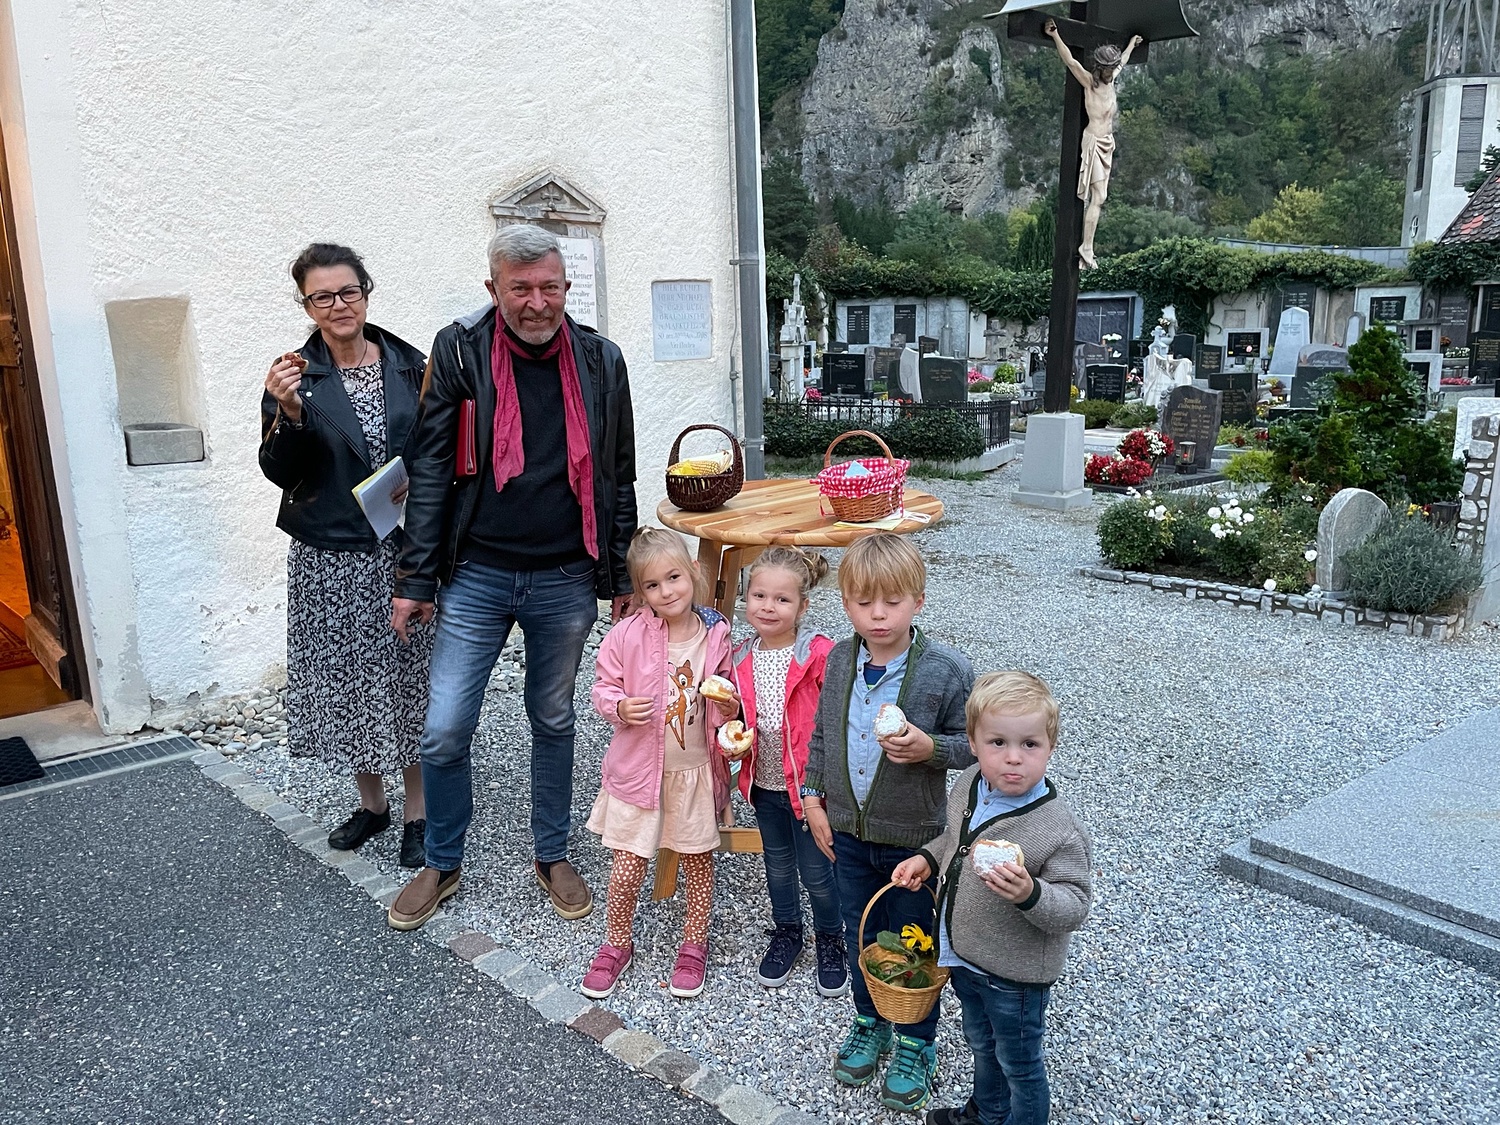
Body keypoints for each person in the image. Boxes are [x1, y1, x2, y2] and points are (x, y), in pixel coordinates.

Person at [386, 223, 637, 932]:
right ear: (493, 288)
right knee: (444, 729)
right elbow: (431, 468)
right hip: (477, 573)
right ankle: (442, 861)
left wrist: (621, 572)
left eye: (549, 287)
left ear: (566, 287)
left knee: (553, 719)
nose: (536, 302)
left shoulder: (601, 360)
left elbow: (617, 473)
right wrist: (417, 578)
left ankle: (551, 854)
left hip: (564, 575)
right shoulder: (459, 349)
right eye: (520, 288)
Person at [259, 242, 433, 867]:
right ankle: (373, 805)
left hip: (404, 548)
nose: (338, 305)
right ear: (307, 305)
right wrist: (290, 413)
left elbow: (441, 450)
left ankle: (418, 812)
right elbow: (280, 471)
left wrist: (423, 489)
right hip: (330, 554)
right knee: (349, 681)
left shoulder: (413, 366)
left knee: (409, 677)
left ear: (366, 292)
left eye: (348, 291)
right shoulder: (293, 377)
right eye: (322, 297)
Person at [801, 533, 975, 1114]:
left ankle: (916, 1042)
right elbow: (822, 735)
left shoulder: (946, 670)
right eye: (863, 602)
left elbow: (975, 745)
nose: (878, 615)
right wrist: (813, 798)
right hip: (847, 835)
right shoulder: (840, 660)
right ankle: (869, 1021)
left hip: (913, 841)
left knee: (913, 941)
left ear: (918, 601)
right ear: (845, 602)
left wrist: (930, 748)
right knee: (862, 934)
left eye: (893, 602)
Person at [891, 671, 1093, 1125]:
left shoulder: (1059, 829)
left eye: (1030, 744)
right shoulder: (968, 784)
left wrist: (1030, 893)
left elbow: (1074, 906)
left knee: (1019, 1065)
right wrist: (927, 858)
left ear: (1051, 746)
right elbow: (955, 841)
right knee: (981, 1044)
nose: (1013, 758)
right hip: (964, 955)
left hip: (1015, 977)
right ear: (973, 743)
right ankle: (987, 1113)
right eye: (997, 743)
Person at [580, 528, 736, 1000]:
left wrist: (729, 707)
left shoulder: (716, 634)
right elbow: (602, 686)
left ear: (693, 573)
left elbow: (728, 690)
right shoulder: (626, 634)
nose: (666, 591)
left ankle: (693, 944)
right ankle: (616, 942)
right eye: (652, 585)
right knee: (627, 868)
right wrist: (618, 706)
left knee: (698, 863)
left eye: (673, 578)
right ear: (640, 591)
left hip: (695, 772)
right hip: (640, 776)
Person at [727, 546, 845, 996]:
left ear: (803, 606)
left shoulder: (818, 654)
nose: (768, 607)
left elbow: (835, 720)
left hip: (810, 790)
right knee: (777, 865)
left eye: (782, 599)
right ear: (747, 596)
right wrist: (728, 724)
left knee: (817, 869)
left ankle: (830, 937)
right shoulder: (740, 656)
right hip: (764, 783)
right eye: (759, 596)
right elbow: (737, 716)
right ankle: (787, 932)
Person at [1044, 18, 1144, 269]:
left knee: (1100, 197)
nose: (1112, 72)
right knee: (1098, 196)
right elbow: (1070, 61)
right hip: (1094, 142)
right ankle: (1086, 247)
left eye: (1113, 69)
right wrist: (1055, 35)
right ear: (1100, 68)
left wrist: (1131, 44)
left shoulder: (1112, 79)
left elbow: (1123, 61)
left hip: (1108, 143)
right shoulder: (1090, 82)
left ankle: (1087, 247)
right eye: (1108, 69)